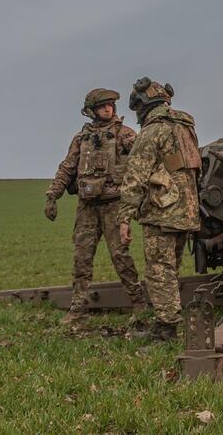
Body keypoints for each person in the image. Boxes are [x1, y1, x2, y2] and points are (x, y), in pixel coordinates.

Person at [45, 88, 145, 327]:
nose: (108, 109)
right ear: (91, 111)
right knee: (82, 258)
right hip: (87, 206)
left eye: (110, 105)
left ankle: (139, 305)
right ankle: (78, 309)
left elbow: (143, 160)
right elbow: (67, 167)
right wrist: (52, 195)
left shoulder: (124, 134)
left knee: (120, 257)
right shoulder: (81, 139)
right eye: (102, 106)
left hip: (114, 205)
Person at [118, 78, 201, 341]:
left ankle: (166, 331)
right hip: (187, 211)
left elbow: (135, 176)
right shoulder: (185, 128)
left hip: (162, 211)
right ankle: (165, 321)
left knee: (159, 271)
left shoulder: (153, 131)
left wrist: (124, 217)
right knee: (170, 268)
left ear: (142, 105)